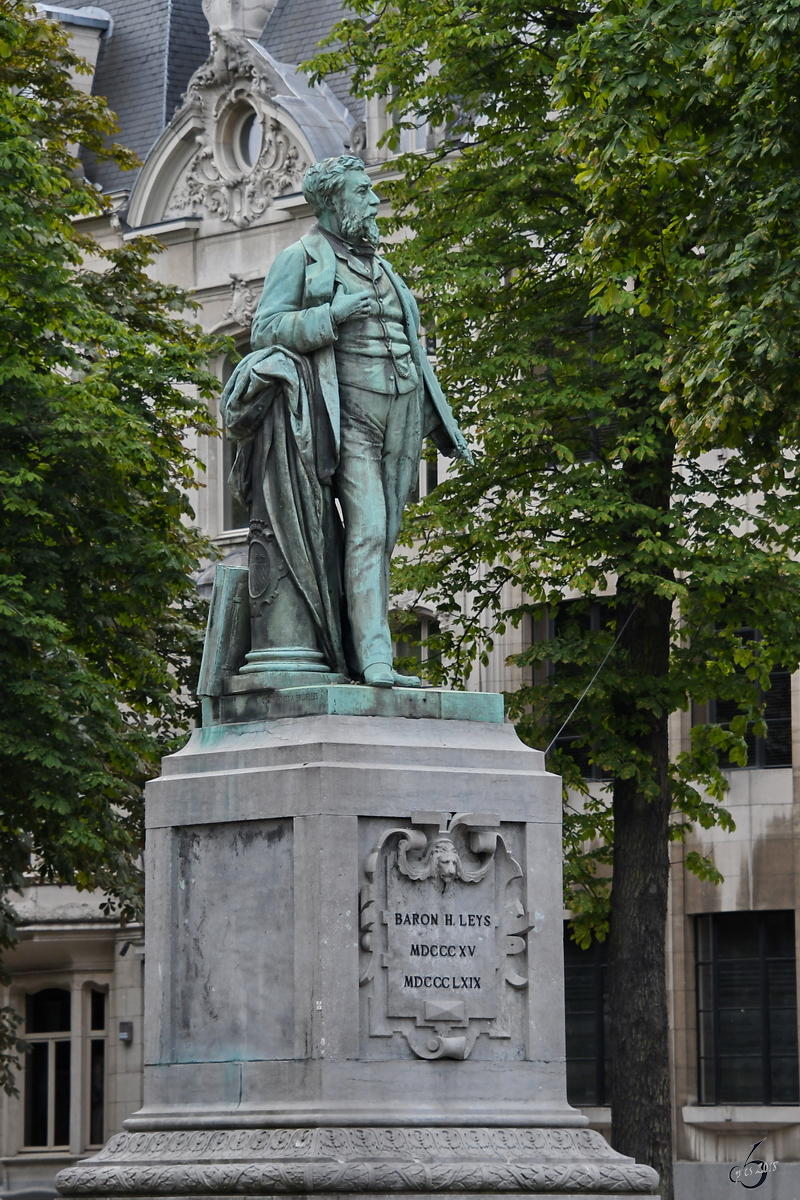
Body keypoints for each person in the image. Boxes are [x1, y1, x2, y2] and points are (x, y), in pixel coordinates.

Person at [221, 155, 471, 688]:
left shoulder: (381, 264)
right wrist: (330, 317)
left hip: (401, 409)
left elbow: (416, 351)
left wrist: (445, 426)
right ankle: (376, 660)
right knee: (368, 529)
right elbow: (265, 329)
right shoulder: (301, 257)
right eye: (363, 192)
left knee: (386, 537)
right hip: (351, 413)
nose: (375, 200)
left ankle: (367, 656)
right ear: (335, 201)